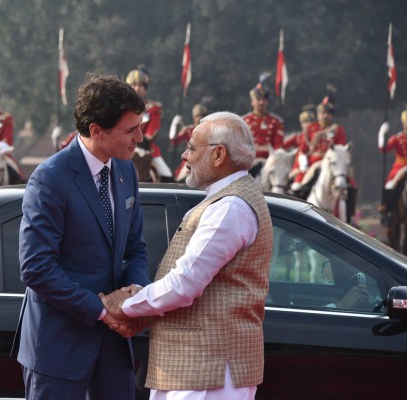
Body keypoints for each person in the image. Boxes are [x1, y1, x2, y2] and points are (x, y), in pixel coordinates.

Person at [100, 111, 274, 400]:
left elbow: (184, 285)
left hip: (209, 372)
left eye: (192, 148)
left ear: (219, 155)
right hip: (198, 369)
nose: (184, 156)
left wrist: (126, 304)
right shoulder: (226, 200)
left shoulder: (230, 207)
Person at [17, 72, 151, 399]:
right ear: (96, 131)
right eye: (131, 130)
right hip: (59, 349)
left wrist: (135, 297)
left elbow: (136, 249)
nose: (140, 138)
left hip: (115, 350)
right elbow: (36, 268)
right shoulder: (50, 179)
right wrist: (103, 310)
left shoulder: (126, 171)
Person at [290, 95, 348, 194]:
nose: (325, 116)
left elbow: (340, 150)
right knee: (297, 187)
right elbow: (303, 150)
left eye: (328, 113)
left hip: (331, 164)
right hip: (312, 164)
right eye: (323, 113)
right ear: (318, 115)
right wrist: (304, 165)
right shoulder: (310, 128)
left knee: (348, 187)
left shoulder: (338, 130)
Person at [126, 65, 174, 181]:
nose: (137, 88)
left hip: (147, 147)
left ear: (145, 89)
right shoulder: (121, 108)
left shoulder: (153, 108)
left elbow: (152, 131)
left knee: (166, 174)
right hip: (124, 146)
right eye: (134, 85)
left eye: (141, 85)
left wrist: (142, 140)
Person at [242, 83, 284, 177]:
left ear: (267, 102)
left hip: (269, 160)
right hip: (249, 162)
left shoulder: (276, 121)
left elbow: (278, 146)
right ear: (252, 102)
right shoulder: (244, 121)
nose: (261, 102)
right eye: (258, 99)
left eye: (264, 100)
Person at [378, 108, 407, 224]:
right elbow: (383, 148)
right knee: (390, 184)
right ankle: (387, 211)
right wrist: (381, 133)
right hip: (400, 167)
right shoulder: (398, 138)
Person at [169, 102, 209, 182]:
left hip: (206, 159)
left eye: (202, 116)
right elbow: (174, 140)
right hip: (191, 160)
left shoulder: (210, 130)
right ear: (193, 117)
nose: (200, 118)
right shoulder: (188, 130)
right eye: (197, 116)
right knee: (180, 177)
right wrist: (174, 125)